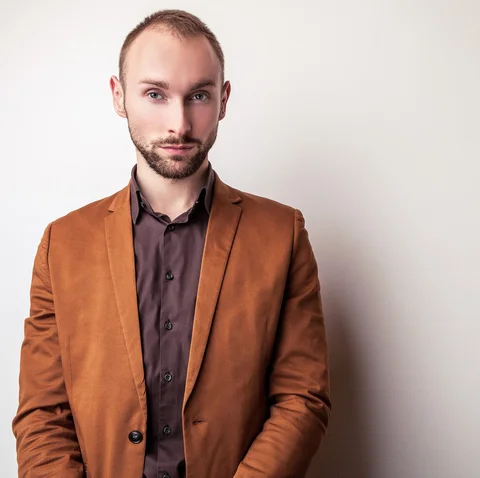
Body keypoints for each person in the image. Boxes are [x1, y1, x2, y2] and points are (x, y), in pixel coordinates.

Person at [12, 9, 331, 478]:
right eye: (155, 94)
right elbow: (42, 414)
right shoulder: (63, 244)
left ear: (223, 99)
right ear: (119, 96)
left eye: (198, 95)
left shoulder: (282, 234)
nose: (178, 124)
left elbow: (302, 399)